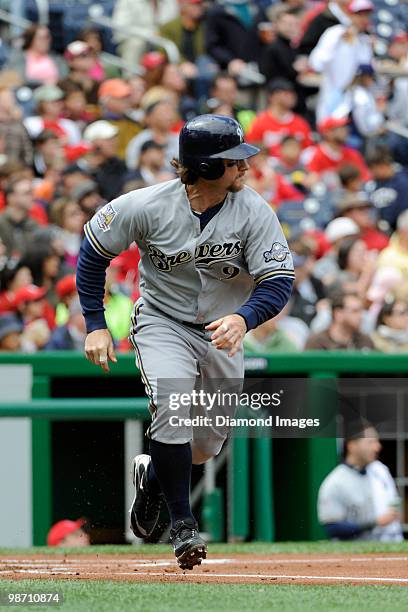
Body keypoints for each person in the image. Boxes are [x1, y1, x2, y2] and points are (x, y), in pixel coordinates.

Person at [76, 114, 294, 569]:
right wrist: (95, 323)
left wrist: (244, 316)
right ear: (209, 167)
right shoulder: (146, 204)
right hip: (163, 321)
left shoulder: (254, 211)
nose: (246, 168)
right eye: (235, 162)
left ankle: (152, 474)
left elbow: (277, 283)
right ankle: (183, 526)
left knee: (205, 444)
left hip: (223, 330)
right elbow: (95, 251)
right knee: (173, 408)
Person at [317, 424, 403, 541]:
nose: (377, 447)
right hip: (355, 554)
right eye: (370, 442)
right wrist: (374, 522)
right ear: (352, 446)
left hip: (392, 542)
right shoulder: (335, 482)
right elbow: (332, 527)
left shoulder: (380, 470)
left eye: (376, 442)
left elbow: (394, 504)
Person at [308, 0, 373, 122]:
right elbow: (316, 63)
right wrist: (337, 41)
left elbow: (366, 71)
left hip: (355, 101)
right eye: (359, 15)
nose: (363, 19)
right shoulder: (335, 32)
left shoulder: (364, 40)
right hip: (333, 95)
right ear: (349, 15)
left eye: (366, 15)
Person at [246, 79, 313, 157]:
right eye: (286, 93)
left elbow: (308, 151)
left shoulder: (301, 123)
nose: (292, 96)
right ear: (272, 96)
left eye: (292, 93)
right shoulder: (260, 122)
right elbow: (251, 150)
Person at [305, 290, 374, 350]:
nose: (361, 316)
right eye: (355, 311)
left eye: (361, 311)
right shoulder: (318, 343)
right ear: (338, 314)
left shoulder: (365, 342)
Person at [367, 146, 408, 231]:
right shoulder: (372, 184)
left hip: (399, 227)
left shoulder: (402, 181)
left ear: (383, 165)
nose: (373, 173)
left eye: (374, 169)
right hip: (379, 227)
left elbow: (403, 208)